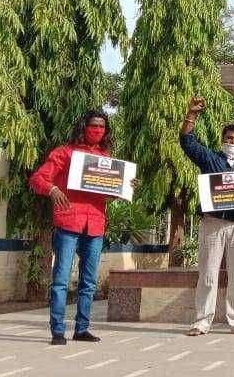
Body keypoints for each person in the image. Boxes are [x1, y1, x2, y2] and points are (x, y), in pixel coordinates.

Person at [30, 110, 136, 346]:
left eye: (102, 127)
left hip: (95, 225)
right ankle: (58, 331)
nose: (97, 130)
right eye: (93, 126)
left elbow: (106, 196)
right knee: (61, 280)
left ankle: (82, 328)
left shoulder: (105, 159)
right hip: (69, 221)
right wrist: (52, 190)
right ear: (83, 127)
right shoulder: (65, 153)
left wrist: (124, 188)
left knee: (89, 282)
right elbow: (38, 179)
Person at [180, 96, 234, 337]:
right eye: (229, 138)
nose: (233, 142)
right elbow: (187, 141)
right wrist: (192, 114)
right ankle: (201, 322)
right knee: (208, 274)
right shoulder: (210, 159)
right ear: (223, 140)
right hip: (213, 223)